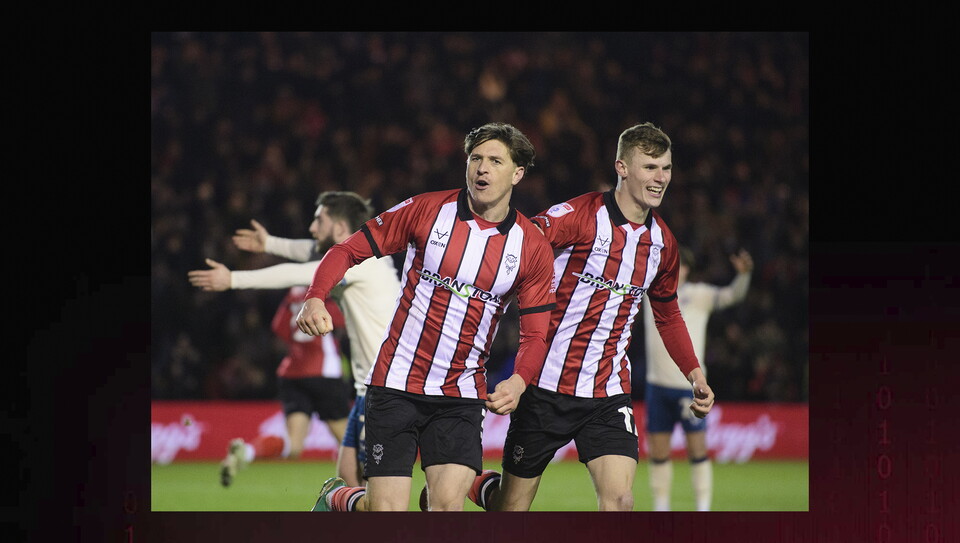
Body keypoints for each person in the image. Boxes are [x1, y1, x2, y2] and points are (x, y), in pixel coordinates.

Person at [456, 122, 716, 512]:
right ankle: (483, 488)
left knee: (621, 502)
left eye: (666, 168)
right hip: (544, 387)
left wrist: (695, 375)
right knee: (510, 510)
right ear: (622, 168)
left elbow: (668, 315)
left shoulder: (663, 245)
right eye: (650, 167)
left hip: (607, 392)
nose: (660, 178)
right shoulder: (578, 216)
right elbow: (517, 246)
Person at [298, 122, 557, 512]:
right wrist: (316, 297)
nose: (482, 169)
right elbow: (346, 250)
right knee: (385, 512)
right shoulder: (427, 210)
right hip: (396, 382)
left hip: (460, 394)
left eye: (495, 161)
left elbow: (536, 335)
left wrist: (520, 381)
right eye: (475, 159)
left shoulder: (532, 247)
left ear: (517, 173)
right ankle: (340, 498)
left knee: (447, 509)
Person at [187, 191, 400, 488]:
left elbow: (302, 271)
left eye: (319, 220)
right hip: (371, 391)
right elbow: (310, 250)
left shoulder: (360, 264)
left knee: (374, 490)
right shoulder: (366, 257)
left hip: (387, 392)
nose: (312, 228)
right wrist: (271, 244)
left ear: (340, 229)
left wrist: (234, 279)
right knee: (350, 478)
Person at [642, 245, 753, 511]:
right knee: (657, 454)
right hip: (656, 386)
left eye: (676, 265)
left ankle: (703, 509)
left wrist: (744, 276)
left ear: (687, 269)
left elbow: (731, 296)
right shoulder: (649, 293)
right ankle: (661, 509)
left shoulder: (699, 295)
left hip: (689, 387)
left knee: (698, 451)